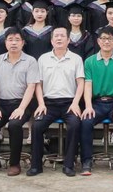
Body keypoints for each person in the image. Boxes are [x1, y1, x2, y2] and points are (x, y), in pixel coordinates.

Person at [27, 26, 84, 177]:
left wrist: (75, 103)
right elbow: (38, 84)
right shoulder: (43, 59)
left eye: (62, 36)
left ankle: (69, 165)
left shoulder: (76, 59)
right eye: (56, 36)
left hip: (69, 103)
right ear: (51, 40)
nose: (59, 38)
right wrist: (41, 104)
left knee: (75, 125)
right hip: (48, 104)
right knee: (37, 126)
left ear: (68, 40)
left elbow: (81, 83)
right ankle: (36, 165)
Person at [0, 27, 39, 176]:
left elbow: (31, 86)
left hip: (22, 104)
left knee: (14, 125)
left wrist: (21, 108)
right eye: (10, 39)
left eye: (17, 40)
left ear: (23, 42)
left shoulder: (30, 61)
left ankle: (14, 164)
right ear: (5, 42)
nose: (13, 43)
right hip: (1, 104)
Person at [80, 26, 113, 176]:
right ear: (98, 41)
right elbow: (87, 86)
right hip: (96, 103)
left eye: (110, 39)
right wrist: (88, 106)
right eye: (103, 38)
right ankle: (86, 161)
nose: (106, 42)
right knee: (86, 121)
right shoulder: (90, 61)